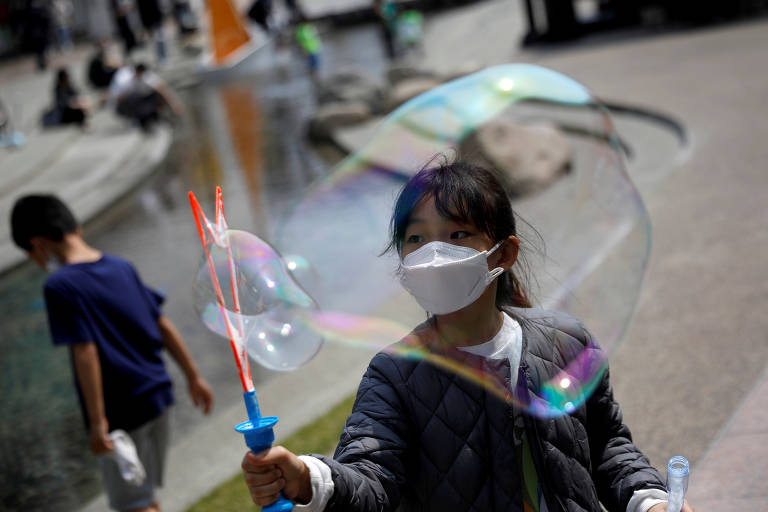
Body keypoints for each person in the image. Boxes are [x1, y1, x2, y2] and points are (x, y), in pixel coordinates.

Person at [241, 159, 695, 512]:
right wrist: (307, 478)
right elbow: (373, 480)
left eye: (457, 234)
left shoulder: (566, 342)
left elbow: (608, 446)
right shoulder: (395, 375)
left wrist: (649, 499)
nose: (434, 254)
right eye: (416, 239)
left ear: (505, 252)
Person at [10, 195, 214, 512]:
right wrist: (193, 376)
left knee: (133, 503)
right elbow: (162, 323)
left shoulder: (60, 286)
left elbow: (85, 351)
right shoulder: (120, 266)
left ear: (38, 245)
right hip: (157, 394)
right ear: (74, 226)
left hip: (122, 411)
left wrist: (97, 422)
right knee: (144, 495)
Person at [108, 62, 184, 131]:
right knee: (132, 100)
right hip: (133, 102)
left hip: (147, 98)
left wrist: (174, 105)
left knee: (156, 96)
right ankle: (137, 119)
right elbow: (119, 98)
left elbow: (163, 91)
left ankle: (155, 116)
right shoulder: (127, 80)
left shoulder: (148, 78)